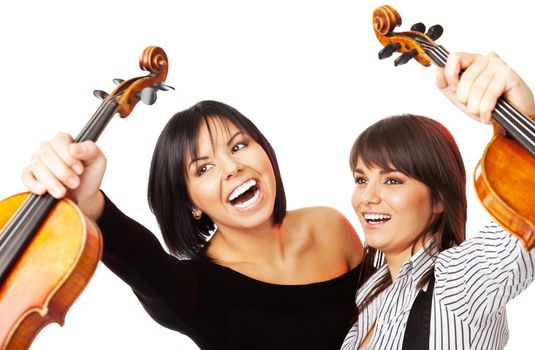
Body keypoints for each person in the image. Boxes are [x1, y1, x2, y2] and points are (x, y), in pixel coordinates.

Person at [21, 100, 363, 349]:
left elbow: (395, 307)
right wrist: (91, 203)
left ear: (265, 151)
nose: (232, 167)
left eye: (239, 146)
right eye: (203, 168)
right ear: (191, 205)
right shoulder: (198, 290)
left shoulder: (330, 226)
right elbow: (146, 266)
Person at [342, 52, 535, 350]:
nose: (368, 196)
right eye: (361, 179)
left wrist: (526, 115)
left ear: (438, 201)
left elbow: (526, 221)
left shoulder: (458, 280)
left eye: (392, 180)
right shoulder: (369, 291)